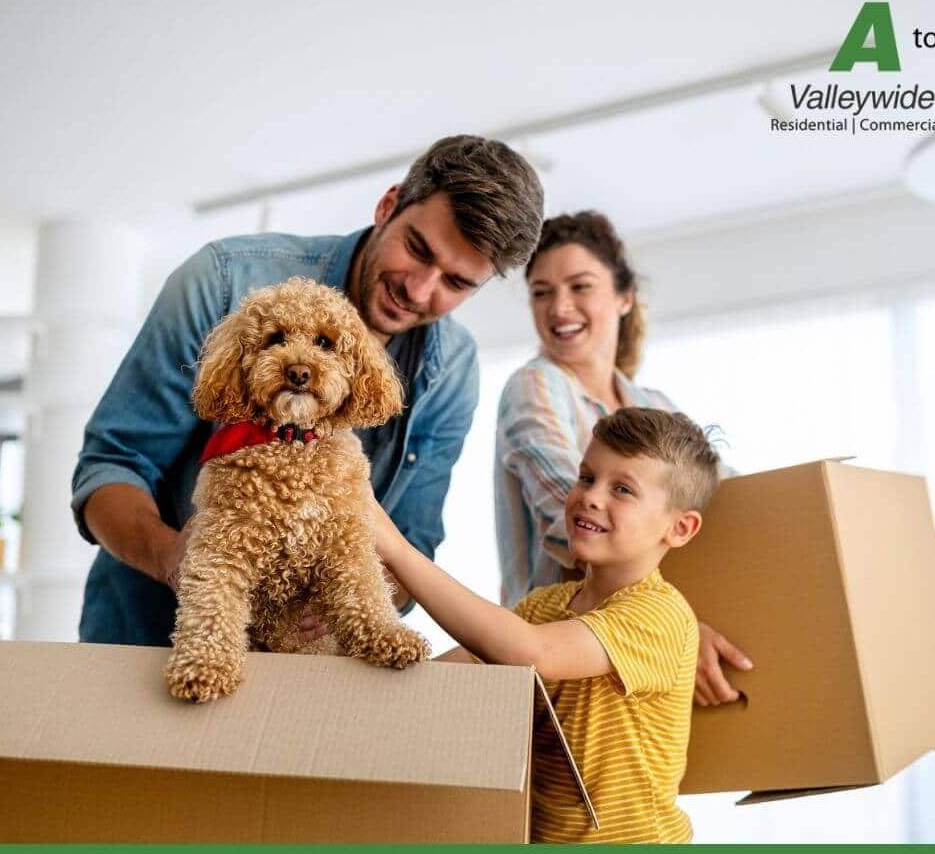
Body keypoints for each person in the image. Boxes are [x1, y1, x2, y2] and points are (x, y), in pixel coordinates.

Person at [71, 135, 544, 646]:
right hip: (143, 636)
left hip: (302, 672)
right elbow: (112, 466)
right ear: (388, 205)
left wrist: (349, 598)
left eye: (456, 283)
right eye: (417, 249)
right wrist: (174, 560)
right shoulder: (222, 282)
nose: (420, 290)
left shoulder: (453, 367)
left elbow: (414, 540)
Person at [378, 407, 719, 843]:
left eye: (622, 489)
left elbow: (532, 653)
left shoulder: (659, 614)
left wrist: (398, 551)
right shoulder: (545, 607)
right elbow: (442, 681)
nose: (592, 497)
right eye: (586, 477)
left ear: (680, 528)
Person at [494, 210, 752, 705]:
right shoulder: (536, 386)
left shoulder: (653, 404)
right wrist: (675, 624)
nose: (559, 307)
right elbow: (567, 520)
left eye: (579, 286)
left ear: (624, 297)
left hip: (635, 667)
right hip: (557, 664)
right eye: (541, 292)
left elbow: (730, 495)